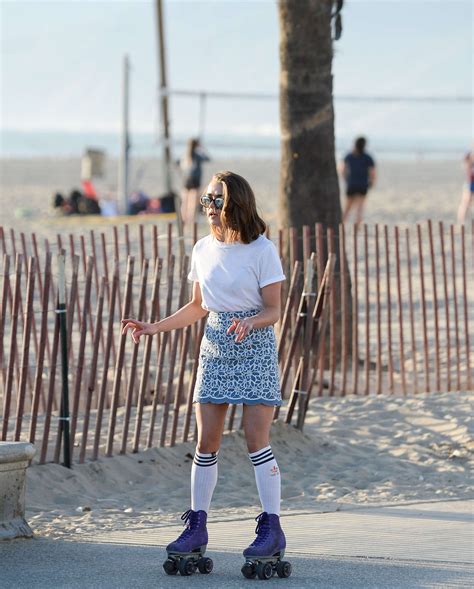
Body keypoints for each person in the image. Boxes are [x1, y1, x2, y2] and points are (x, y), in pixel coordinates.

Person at [122, 171, 289, 577]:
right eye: (207, 200)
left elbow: (274, 309)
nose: (210, 208)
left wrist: (252, 323)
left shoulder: (262, 250)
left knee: (255, 440)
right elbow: (199, 305)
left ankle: (272, 528)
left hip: (254, 346)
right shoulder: (202, 248)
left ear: (236, 205)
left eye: (218, 200)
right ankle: (196, 526)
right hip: (215, 345)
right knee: (206, 441)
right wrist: (154, 326)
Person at [341, 136, 376, 225]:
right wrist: (371, 182)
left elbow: (342, 169)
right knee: (359, 209)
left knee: (347, 208)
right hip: (362, 185)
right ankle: (357, 229)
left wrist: (346, 179)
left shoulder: (349, 156)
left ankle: (342, 226)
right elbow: (372, 172)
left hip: (351, 184)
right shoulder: (367, 157)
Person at [180, 138, 210, 227]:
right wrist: (203, 149)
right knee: (193, 202)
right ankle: (191, 220)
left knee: (185, 201)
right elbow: (208, 158)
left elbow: (178, 163)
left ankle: (183, 219)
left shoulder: (185, 155)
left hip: (186, 180)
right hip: (195, 181)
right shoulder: (197, 156)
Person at [457, 150, 473, 224]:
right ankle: (461, 220)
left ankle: (462, 220)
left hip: (470, 183)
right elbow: (466, 165)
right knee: (465, 203)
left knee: (466, 203)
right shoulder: (468, 160)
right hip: (470, 184)